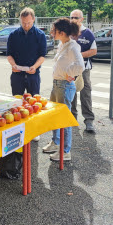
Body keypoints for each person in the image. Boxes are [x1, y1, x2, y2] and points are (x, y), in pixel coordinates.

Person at [42, 18, 85, 161]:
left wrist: (70, 73)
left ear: (61, 32)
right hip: (57, 85)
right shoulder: (63, 44)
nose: (51, 33)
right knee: (55, 116)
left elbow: (80, 65)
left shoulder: (72, 46)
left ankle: (65, 151)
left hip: (64, 86)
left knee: (64, 119)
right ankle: (56, 143)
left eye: (54, 30)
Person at [7, 7, 47, 142]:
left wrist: (35, 67)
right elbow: (9, 55)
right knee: (16, 102)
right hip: (17, 75)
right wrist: (13, 65)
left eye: (28, 23)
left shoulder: (40, 35)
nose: (26, 25)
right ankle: (16, 129)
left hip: (33, 74)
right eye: (23, 23)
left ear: (33, 19)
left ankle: (34, 130)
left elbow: (42, 55)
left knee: (34, 104)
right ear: (20, 20)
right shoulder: (13, 35)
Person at [70, 9, 97, 132]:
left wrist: (80, 55)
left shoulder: (88, 33)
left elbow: (94, 51)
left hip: (84, 70)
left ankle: (89, 121)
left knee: (85, 94)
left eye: (76, 18)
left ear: (81, 19)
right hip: (70, 69)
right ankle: (72, 119)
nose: (74, 20)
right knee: (71, 94)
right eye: (72, 17)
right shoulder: (68, 32)